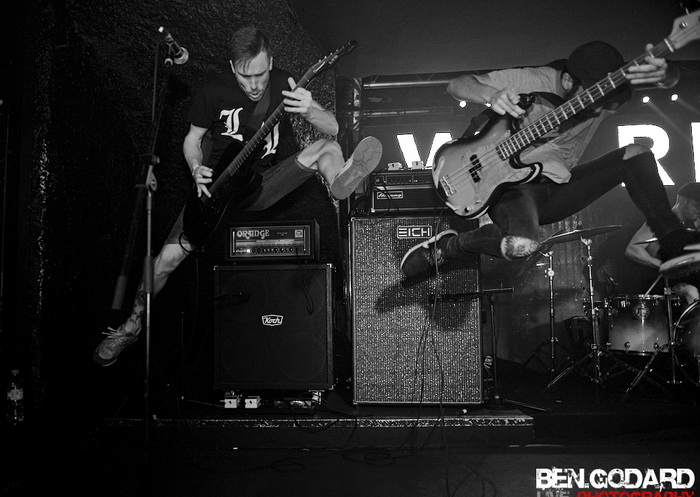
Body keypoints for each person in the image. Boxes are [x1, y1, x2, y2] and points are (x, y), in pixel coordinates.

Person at [94, 26, 382, 366]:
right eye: (246, 77)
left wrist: (309, 110)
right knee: (164, 263)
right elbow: (192, 139)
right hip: (214, 191)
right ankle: (131, 324)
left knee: (327, 147)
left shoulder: (285, 84)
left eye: (261, 74)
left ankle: (339, 181)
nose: (255, 85)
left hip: (261, 185)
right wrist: (196, 167)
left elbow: (333, 127)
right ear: (233, 68)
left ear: (270, 63)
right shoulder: (213, 91)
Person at [401, 40, 694, 278]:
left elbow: (667, 78)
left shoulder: (608, 95)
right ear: (567, 80)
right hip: (513, 188)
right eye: (591, 99)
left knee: (638, 155)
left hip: (558, 187)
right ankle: (448, 247)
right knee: (523, 245)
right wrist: (491, 94)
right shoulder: (535, 80)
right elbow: (457, 85)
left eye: (603, 101)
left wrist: (667, 73)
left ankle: (674, 243)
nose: (598, 109)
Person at [625, 182, 700, 305]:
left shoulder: (694, 224)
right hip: (665, 284)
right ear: (682, 200)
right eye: (696, 205)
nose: (699, 210)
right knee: (691, 292)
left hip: (687, 279)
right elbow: (632, 249)